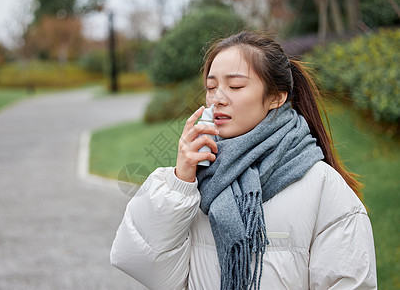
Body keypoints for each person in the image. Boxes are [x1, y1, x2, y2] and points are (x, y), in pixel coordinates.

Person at [110, 31, 377, 289]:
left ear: (276, 97)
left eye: (235, 86)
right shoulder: (193, 177)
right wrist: (180, 181)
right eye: (211, 87)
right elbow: (144, 265)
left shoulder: (321, 183)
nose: (218, 99)